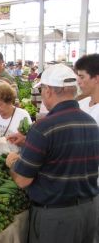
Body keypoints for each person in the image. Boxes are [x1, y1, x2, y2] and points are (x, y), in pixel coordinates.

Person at [5, 64, 99, 243]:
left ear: (48, 91)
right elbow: (67, 152)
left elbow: (23, 180)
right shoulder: (90, 123)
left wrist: (12, 163)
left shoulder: (43, 127)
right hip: (89, 210)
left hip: (58, 218)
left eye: (41, 90)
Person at [75, 54, 99, 243]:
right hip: (79, 184)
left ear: (96, 78)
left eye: (82, 77)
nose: (78, 81)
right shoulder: (80, 105)